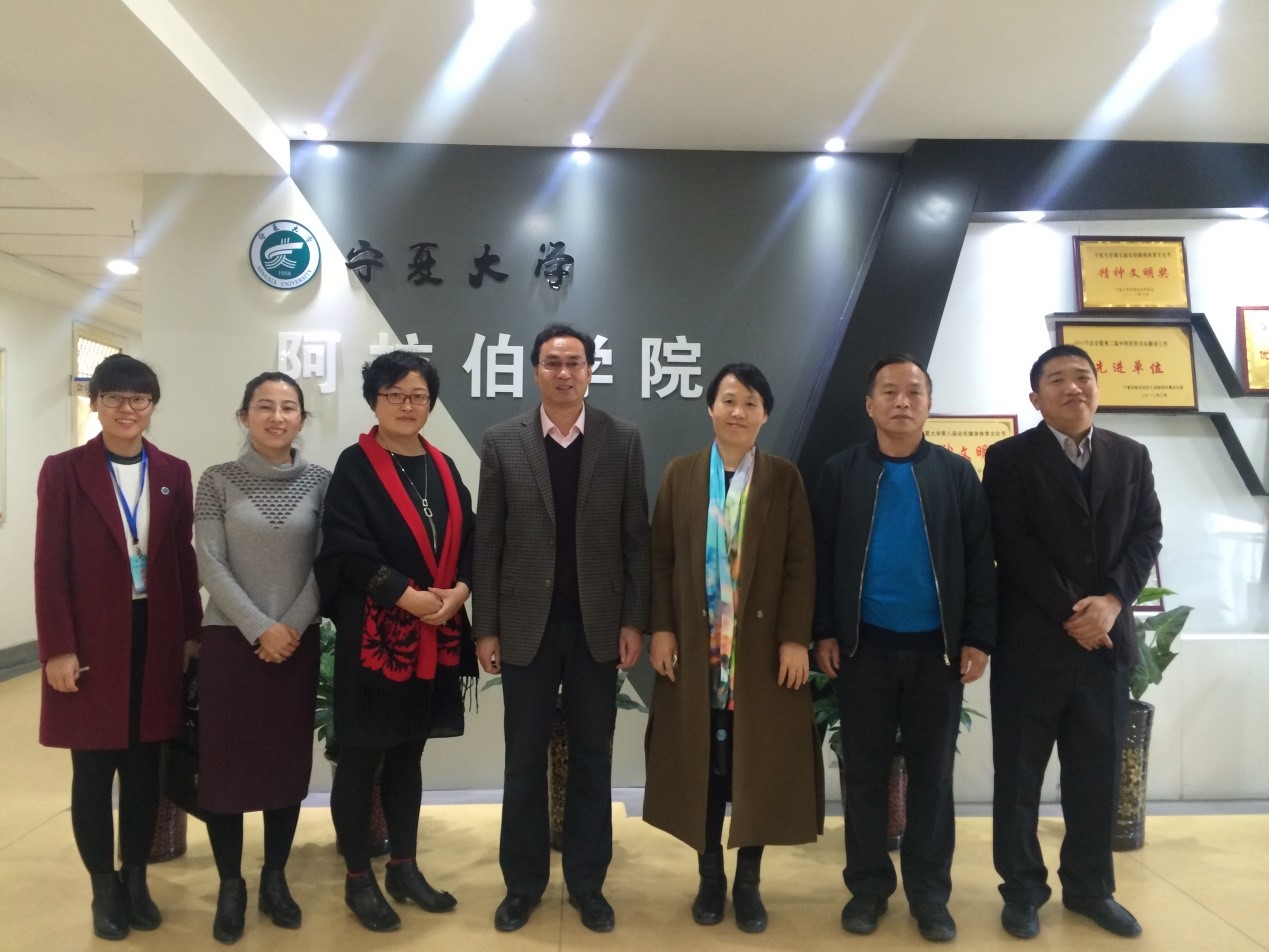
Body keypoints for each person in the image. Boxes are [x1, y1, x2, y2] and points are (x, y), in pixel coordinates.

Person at [474, 322, 650, 934]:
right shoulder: (502, 441)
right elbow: (488, 542)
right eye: (553, 362)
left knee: (593, 756)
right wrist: (486, 628)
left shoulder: (622, 440)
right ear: (535, 371)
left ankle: (587, 883)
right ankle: (522, 885)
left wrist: (634, 619)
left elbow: (635, 538)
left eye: (575, 362)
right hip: (526, 625)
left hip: (598, 627)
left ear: (591, 371)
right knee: (522, 758)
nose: (564, 372)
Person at [812, 354, 995, 943]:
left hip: (935, 654)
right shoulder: (842, 472)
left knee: (933, 777)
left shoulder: (955, 475)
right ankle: (868, 889)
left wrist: (977, 637)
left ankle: (929, 895)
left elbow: (980, 561)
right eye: (889, 391)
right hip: (863, 650)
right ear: (869, 405)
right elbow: (819, 558)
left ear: (928, 404)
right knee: (864, 774)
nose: (902, 402)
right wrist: (825, 630)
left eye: (914, 392)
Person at [984, 344, 1161, 940]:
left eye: (1083, 376)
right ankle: (1022, 891)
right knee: (1018, 779)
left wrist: (1111, 602)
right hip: (1031, 647)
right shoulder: (1008, 458)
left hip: (1105, 648)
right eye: (1057, 379)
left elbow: (1147, 533)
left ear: (1097, 388)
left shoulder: (1131, 456)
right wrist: (1072, 612)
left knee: (1095, 777)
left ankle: (1090, 889)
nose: (1073, 387)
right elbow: (1012, 543)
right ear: (1036, 398)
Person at [643, 363, 822, 934]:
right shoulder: (682, 474)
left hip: (761, 657)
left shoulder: (784, 478)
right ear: (710, 408)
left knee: (755, 770)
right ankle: (709, 878)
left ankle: (748, 882)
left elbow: (801, 566)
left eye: (750, 402)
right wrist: (662, 628)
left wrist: (794, 639)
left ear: (765, 415)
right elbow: (661, 558)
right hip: (697, 653)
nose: (738, 411)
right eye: (728, 400)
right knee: (702, 770)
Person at [34, 354, 202, 941]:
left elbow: (182, 557)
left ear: (152, 406)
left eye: (139, 399)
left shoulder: (172, 471)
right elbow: (50, 563)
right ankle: (103, 888)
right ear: (96, 403)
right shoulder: (65, 470)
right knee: (92, 767)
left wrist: (191, 633)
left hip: (156, 635)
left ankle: (136, 880)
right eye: (114, 398)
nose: (127, 409)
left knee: (143, 768)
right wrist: (57, 646)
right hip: (90, 641)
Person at [315, 351, 476, 933]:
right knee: (361, 757)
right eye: (394, 394)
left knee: (409, 754)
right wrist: (406, 596)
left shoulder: (443, 465)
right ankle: (359, 878)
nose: (407, 405)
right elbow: (345, 548)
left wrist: (460, 591)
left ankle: (404, 867)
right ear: (374, 400)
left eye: (418, 396)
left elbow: (471, 539)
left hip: (436, 633)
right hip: (377, 639)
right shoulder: (355, 465)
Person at [193, 372, 330, 943]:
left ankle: (275, 877)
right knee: (224, 768)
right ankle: (232, 884)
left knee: (283, 763)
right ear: (244, 415)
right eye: (264, 406)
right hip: (230, 643)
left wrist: (289, 627)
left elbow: (327, 564)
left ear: (302, 419)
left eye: (289, 407)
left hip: (296, 643)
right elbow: (209, 562)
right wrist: (258, 628)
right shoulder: (216, 480)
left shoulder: (323, 482)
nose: (277, 417)